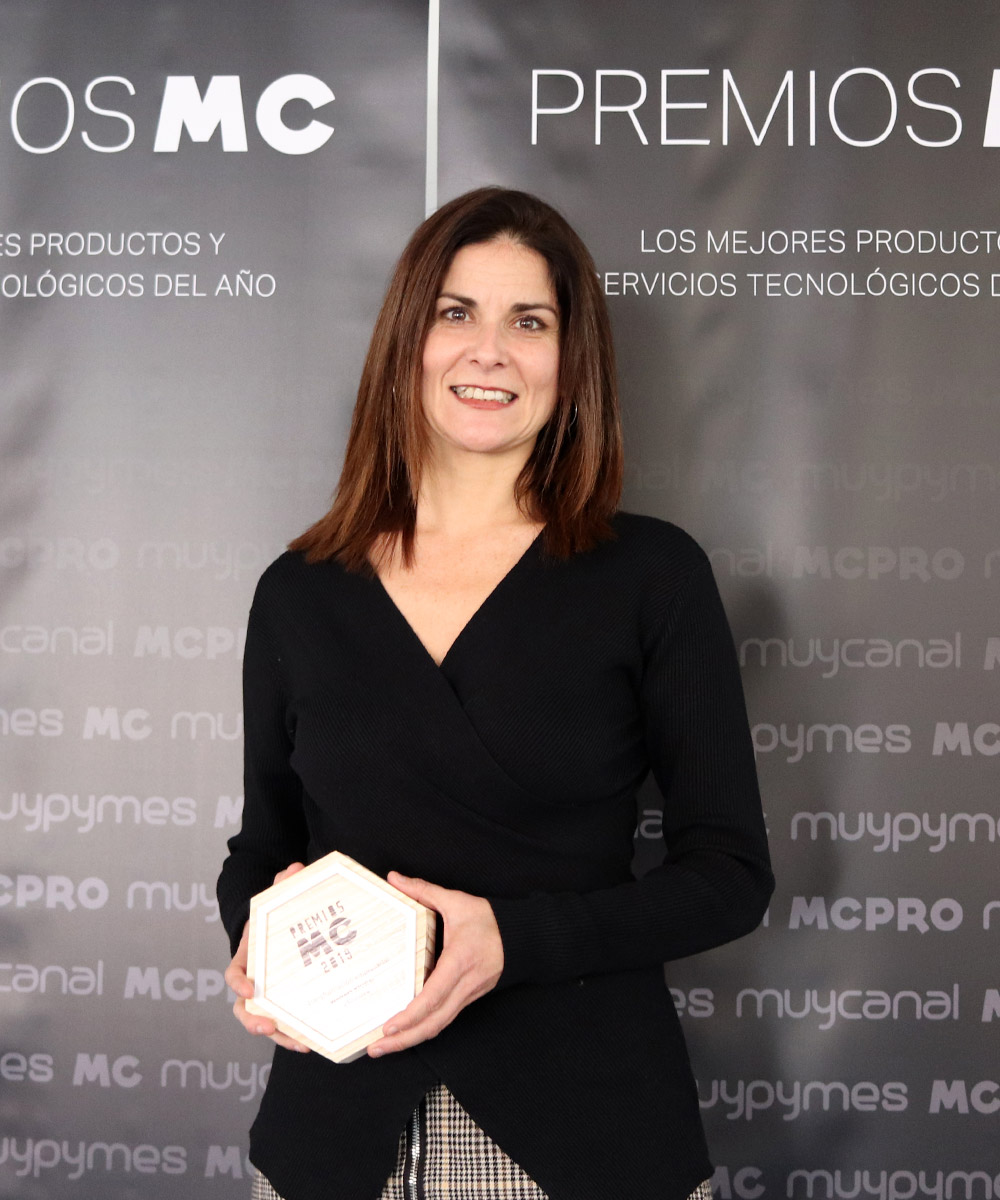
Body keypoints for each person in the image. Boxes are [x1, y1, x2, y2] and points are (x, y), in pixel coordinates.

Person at [217, 187, 773, 1200]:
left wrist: (514, 941)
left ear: (571, 361)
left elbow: (730, 873)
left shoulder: (651, 577)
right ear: (408, 340)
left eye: (530, 322)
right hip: (332, 1138)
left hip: (585, 1137)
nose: (490, 351)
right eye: (456, 312)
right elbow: (264, 849)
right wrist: (256, 945)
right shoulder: (299, 591)